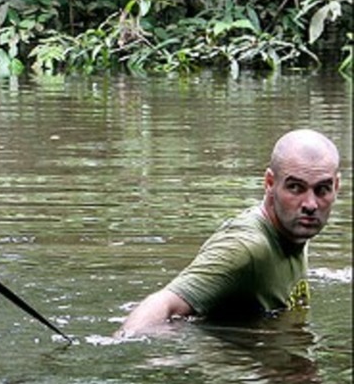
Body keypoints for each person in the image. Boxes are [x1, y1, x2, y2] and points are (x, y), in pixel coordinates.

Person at [114, 129, 341, 338]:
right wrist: (123, 344)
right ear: (270, 183)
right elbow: (164, 302)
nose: (310, 204)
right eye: (295, 187)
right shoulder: (247, 248)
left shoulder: (295, 229)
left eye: (322, 189)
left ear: (336, 187)